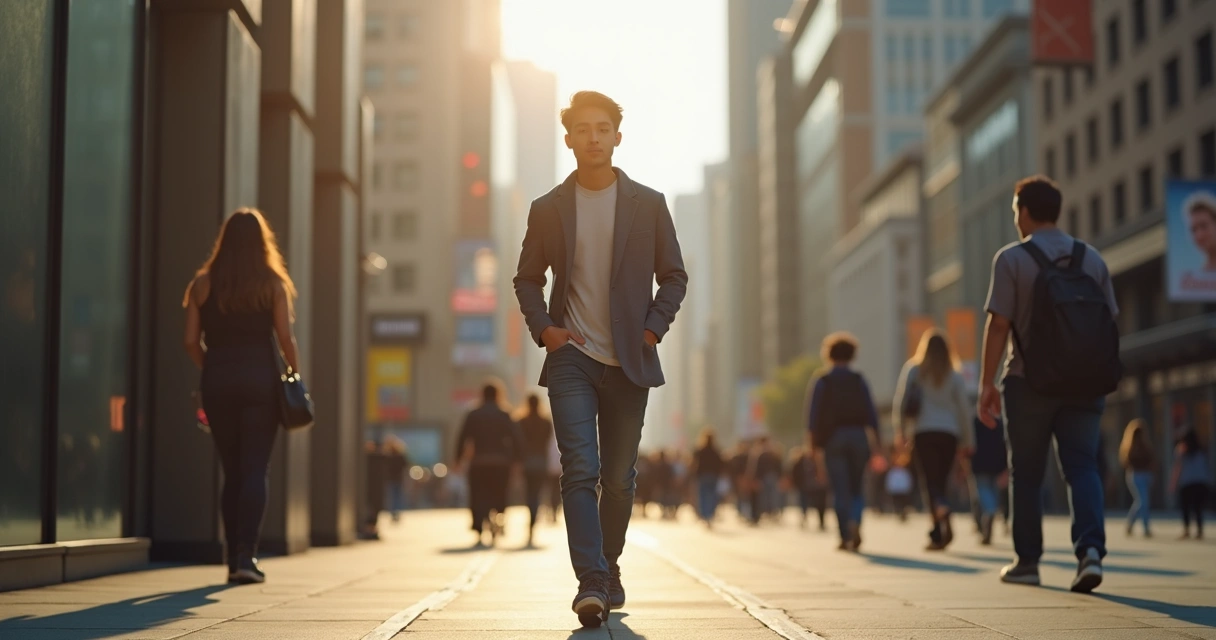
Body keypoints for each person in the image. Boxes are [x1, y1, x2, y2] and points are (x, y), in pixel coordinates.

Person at [512, 90, 687, 625]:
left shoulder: (649, 204)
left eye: (602, 128)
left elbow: (674, 276)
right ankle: (590, 580)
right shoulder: (547, 209)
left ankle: (608, 566)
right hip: (572, 358)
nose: (593, 137)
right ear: (568, 139)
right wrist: (546, 329)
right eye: (582, 129)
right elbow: (526, 279)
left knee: (619, 477)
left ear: (617, 136)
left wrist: (653, 330)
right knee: (579, 468)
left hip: (630, 360)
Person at [977, 176, 1120, 593]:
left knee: (1027, 471)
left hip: (1029, 382)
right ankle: (1090, 551)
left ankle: (1028, 561)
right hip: (1085, 383)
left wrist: (987, 384)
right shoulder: (1091, 258)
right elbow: (1108, 321)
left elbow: (998, 323)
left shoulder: (1011, 259)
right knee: (1083, 466)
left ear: (1023, 210)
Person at [182, 207, 302, 585]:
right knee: (254, 469)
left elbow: (189, 341)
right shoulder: (272, 284)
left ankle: (231, 557)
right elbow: (285, 338)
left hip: (218, 381)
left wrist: (211, 367)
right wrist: (294, 374)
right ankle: (245, 557)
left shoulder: (202, 284)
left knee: (232, 471)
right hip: (261, 383)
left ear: (225, 240)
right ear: (262, 242)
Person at [893, 330, 975, 551]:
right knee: (941, 479)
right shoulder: (955, 375)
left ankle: (938, 524)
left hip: (923, 432)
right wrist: (968, 440)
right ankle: (941, 519)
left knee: (929, 482)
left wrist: (900, 431)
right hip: (949, 433)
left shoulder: (914, 370)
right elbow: (964, 411)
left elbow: (901, 402)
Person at [806, 332, 883, 552]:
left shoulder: (822, 381)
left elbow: (812, 418)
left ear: (828, 355)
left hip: (834, 440)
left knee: (840, 489)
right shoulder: (859, 380)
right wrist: (877, 444)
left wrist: (812, 448)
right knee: (857, 487)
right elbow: (872, 414)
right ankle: (855, 521)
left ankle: (844, 534)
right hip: (859, 437)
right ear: (852, 355)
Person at [455, 381, 525, 548]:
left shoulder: (473, 414)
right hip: (501, 463)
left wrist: (457, 458)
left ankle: (479, 526)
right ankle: (498, 518)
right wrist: (518, 460)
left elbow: (463, 437)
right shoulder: (505, 414)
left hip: (479, 462)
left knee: (478, 494)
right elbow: (517, 439)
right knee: (499, 493)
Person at [516, 393, 555, 547]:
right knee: (537, 494)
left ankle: (530, 519)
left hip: (526, 463)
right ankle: (533, 521)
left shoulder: (521, 422)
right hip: (540, 463)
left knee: (528, 493)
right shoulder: (545, 422)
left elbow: (518, 443)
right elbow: (547, 442)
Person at [971, 415, 1008, 545]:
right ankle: (988, 517)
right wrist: (1005, 466)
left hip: (979, 464)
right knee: (992, 493)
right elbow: (1005, 445)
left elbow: (970, 442)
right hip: (997, 465)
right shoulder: (999, 423)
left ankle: (989, 514)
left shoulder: (976, 421)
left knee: (983, 493)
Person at [1119, 419, 1155, 538]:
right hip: (1135, 475)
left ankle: (1131, 523)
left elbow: (1152, 460)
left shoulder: (1146, 445)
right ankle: (1145, 527)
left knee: (1142, 501)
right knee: (1142, 501)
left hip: (1145, 475)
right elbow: (1127, 461)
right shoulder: (1129, 446)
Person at [1171, 431, 1211, 540]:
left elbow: (1177, 468)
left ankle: (1187, 530)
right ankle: (1199, 530)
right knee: (1197, 508)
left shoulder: (1181, 449)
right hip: (1200, 482)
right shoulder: (1201, 449)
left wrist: (1173, 483)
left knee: (1186, 508)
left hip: (1187, 483)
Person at [789, 446, 828, 530]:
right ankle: (804, 518)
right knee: (804, 503)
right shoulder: (801, 461)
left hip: (818, 487)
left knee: (820, 505)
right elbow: (795, 472)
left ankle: (821, 521)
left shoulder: (820, 461)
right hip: (805, 486)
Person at [693, 430, 725, 528]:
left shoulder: (700, 450)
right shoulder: (716, 450)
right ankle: (710, 515)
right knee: (711, 496)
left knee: (703, 496)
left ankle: (705, 515)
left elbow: (695, 463)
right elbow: (721, 464)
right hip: (713, 476)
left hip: (702, 476)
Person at [383, 437, 410, 523]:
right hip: (397, 479)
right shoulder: (400, 456)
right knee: (397, 497)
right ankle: (396, 512)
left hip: (392, 479)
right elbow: (406, 465)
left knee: (393, 497)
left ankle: (394, 513)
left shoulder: (388, 456)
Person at [885, 451, 914, 523]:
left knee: (903, 504)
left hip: (903, 491)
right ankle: (899, 513)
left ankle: (903, 514)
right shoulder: (893, 471)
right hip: (895, 491)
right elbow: (890, 480)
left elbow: (908, 480)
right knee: (897, 504)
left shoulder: (904, 471)